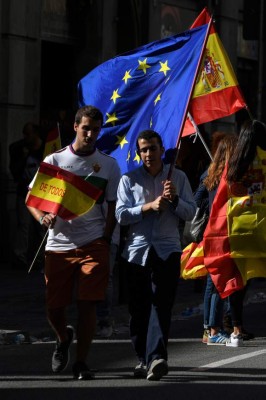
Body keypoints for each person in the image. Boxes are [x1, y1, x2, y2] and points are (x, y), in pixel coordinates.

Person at [26, 105, 121, 379]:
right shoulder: (55, 161)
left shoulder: (108, 165)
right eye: (86, 128)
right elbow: (31, 200)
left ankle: (81, 363)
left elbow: (113, 206)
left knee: (87, 303)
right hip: (58, 245)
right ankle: (63, 337)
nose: (91, 133)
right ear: (76, 127)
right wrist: (43, 217)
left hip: (93, 244)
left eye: (95, 129)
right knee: (54, 307)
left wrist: (105, 237)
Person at [115, 130, 196, 381]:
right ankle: (142, 357)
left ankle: (157, 357)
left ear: (162, 149)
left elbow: (191, 212)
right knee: (138, 309)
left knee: (161, 306)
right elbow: (120, 214)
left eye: (152, 148)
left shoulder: (178, 178)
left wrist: (173, 200)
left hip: (167, 250)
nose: (148, 154)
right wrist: (147, 207)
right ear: (139, 153)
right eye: (143, 149)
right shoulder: (129, 180)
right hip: (137, 251)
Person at [193, 133, 238, 345]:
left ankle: (208, 328)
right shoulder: (228, 175)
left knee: (213, 282)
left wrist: (208, 211)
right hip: (221, 233)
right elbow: (197, 200)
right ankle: (213, 330)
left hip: (212, 233)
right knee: (218, 281)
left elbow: (197, 199)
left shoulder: (210, 173)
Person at [9, 122, 45, 270]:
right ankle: (20, 258)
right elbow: (14, 172)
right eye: (24, 134)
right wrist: (23, 157)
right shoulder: (18, 148)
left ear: (35, 134)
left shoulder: (46, 149)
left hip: (42, 194)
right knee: (24, 226)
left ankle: (40, 258)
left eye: (28, 134)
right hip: (24, 193)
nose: (25, 137)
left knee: (41, 226)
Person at [96, 202, 120, 338]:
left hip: (107, 236)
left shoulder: (115, 179)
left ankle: (104, 320)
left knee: (104, 277)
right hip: (82, 236)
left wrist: (107, 235)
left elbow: (115, 207)